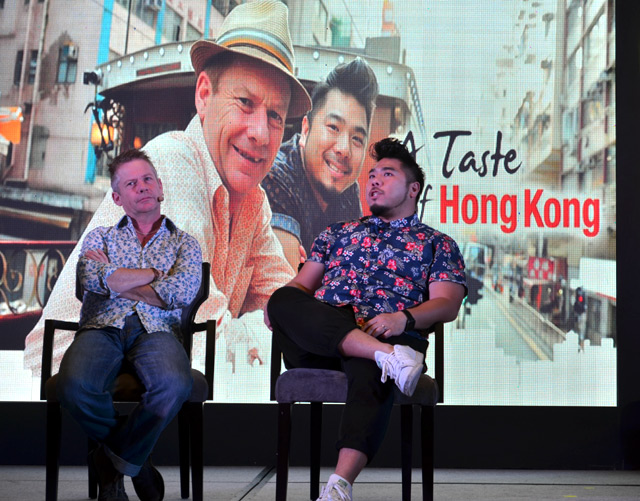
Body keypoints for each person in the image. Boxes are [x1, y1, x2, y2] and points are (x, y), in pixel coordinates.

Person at [24, 0, 312, 380]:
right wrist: (267, 329)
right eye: (245, 103)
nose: (260, 132)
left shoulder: (253, 203)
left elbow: (288, 305)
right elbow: (205, 340)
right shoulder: (169, 166)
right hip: (61, 393)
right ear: (205, 95)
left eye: (275, 116)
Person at [265, 137, 467, 501]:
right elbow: (301, 285)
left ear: (413, 189)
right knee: (282, 299)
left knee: (372, 367)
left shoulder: (437, 243)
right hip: (320, 340)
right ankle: (386, 356)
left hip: (386, 328)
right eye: (371, 175)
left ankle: (338, 487)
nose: (373, 180)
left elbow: (447, 303)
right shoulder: (336, 233)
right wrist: (278, 304)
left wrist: (403, 318)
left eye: (386, 174)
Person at [57, 149, 202, 500]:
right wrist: (154, 274)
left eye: (148, 179)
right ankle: (134, 454)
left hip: (158, 331)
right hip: (100, 327)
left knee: (175, 384)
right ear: (118, 197)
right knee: (74, 386)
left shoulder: (185, 243)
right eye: (132, 183)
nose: (143, 187)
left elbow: (180, 292)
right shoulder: (99, 237)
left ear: (161, 188)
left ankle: (109, 462)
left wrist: (117, 279)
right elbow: (91, 280)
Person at [262, 57, 379, 267]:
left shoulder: (348, 192)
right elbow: (287, 288)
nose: (344, 149)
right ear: (305, 130)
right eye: (333, 127)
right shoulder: (276, 176)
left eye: (357, 139)